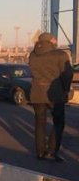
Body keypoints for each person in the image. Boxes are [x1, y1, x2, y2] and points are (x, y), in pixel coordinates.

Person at [28, 32, 74, 161]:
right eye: (54, 39)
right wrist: (65, 89)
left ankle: (40, 152)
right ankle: (52, 152)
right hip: (55, 93)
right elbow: (67, 74)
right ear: (50, 41)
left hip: (37, 92)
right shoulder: (60, 54)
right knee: (58, 122)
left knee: (39, 123)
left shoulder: (32, 55)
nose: (56, 40)